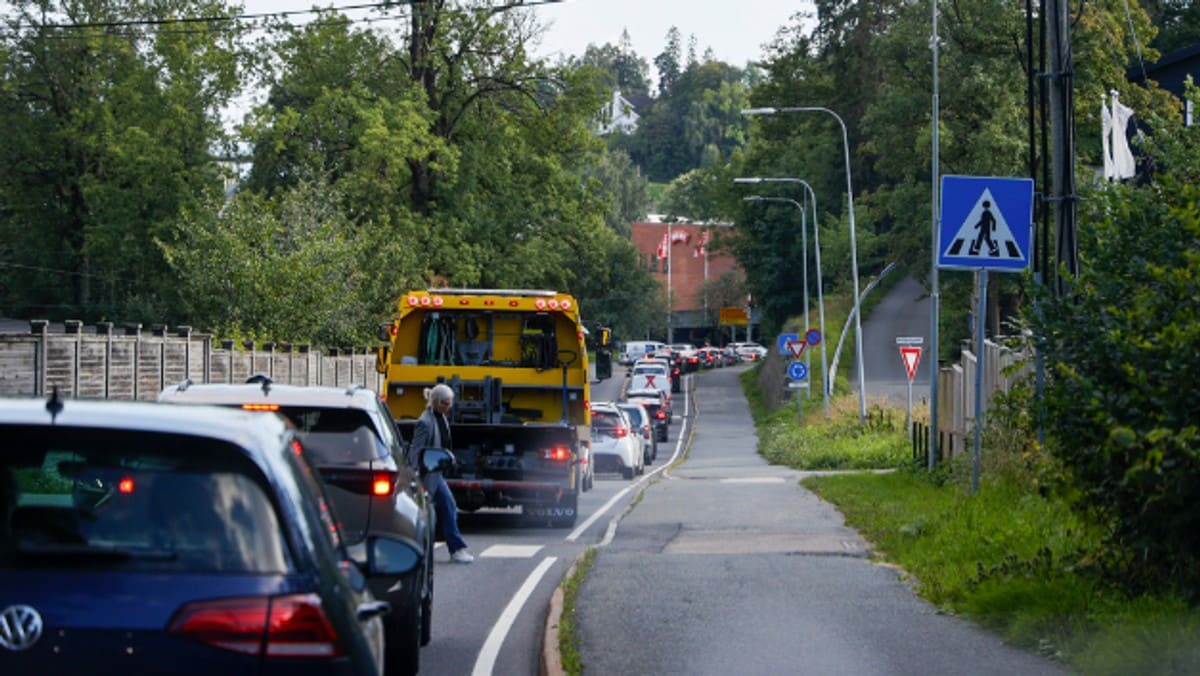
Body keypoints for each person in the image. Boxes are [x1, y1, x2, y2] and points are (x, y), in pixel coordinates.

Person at [410, 384, 474, 564]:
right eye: (445, 403)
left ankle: (446, 547)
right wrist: (415, 473)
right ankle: (456, 549)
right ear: (436, 402)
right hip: (428, 474)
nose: (449, 407)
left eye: (450, 403)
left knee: (443, 508)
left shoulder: (440, 417)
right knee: (446, 506)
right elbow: (416, 449)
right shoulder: (425, 422)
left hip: (436, 473)